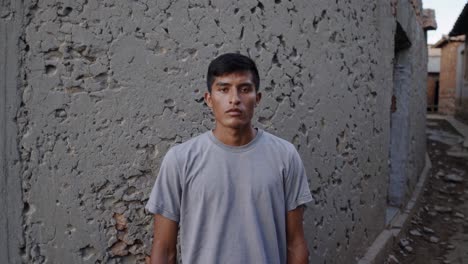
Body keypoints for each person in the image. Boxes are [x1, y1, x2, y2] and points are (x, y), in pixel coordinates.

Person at [146, 53, 313, 264]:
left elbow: (296, 244)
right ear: (209, 99)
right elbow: (164, 250)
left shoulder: (285, 156)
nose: (234, 99)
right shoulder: (180, 160)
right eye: (223, 89)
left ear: (257, 98)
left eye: (244, 89)